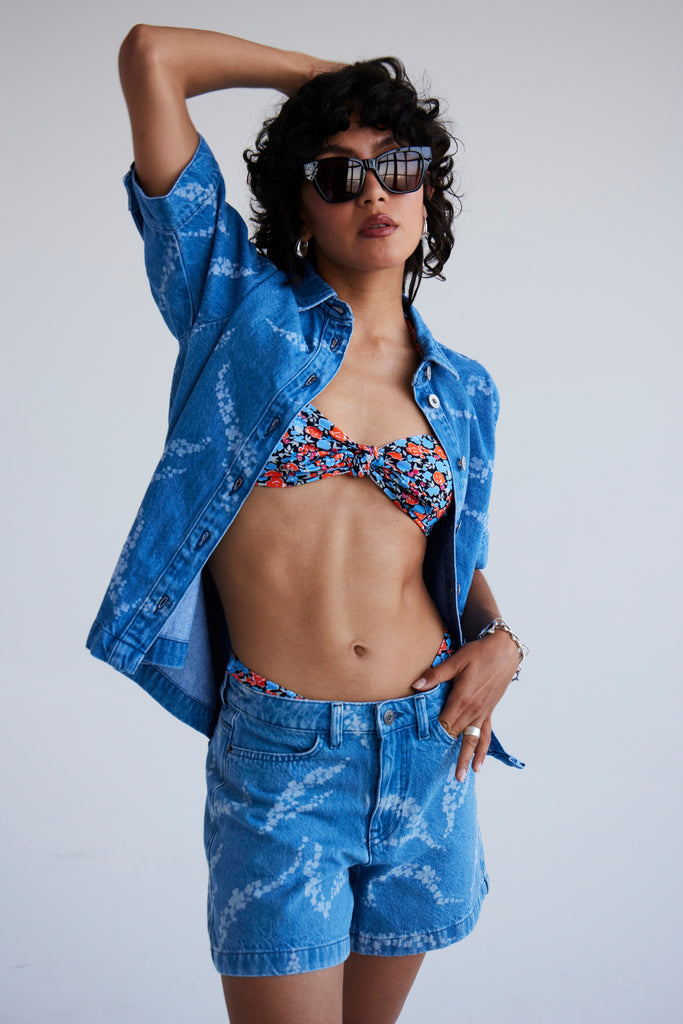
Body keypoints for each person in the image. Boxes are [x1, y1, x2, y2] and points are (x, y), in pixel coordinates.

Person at [87, 23, 526, 1024]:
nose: (373, 193)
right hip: (282, 760)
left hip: (426, 750)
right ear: (298, 204)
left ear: (427, 193)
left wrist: (499, 639)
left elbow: (450, 557)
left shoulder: (464, 389)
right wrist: (332, 82)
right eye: (337, 173)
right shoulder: (232, 311)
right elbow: (152, 56)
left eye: (397, 166)